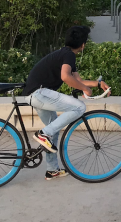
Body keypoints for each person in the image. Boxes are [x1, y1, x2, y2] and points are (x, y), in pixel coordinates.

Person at [23, 26, 110, 180]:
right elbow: (65, 77)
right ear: (83, 45)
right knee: (79, 107)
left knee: (53, 130)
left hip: (37, 95)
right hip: (40, 93)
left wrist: (97, 84)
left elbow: (77, 80)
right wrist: (84, 89)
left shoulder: (65, 54)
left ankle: (52, 170)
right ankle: (43, 134)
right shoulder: (68, 55)